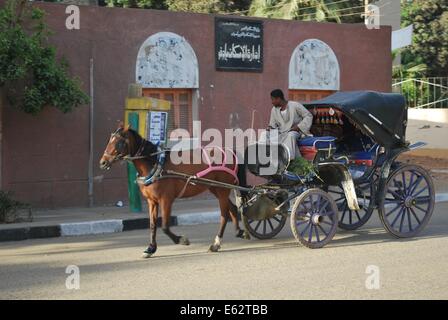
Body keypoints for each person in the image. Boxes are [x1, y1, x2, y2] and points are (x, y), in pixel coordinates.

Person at [263, 89, 313, 159]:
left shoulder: (295, 105)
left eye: (273, 99)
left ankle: (287, 159)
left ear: (278, 99)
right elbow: (273, 125)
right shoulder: (274, 110)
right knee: (265, 134)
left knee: (290, 135)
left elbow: (308, 115)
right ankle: (269, 158)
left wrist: (299, 127)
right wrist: (270, 128)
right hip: (281, 133)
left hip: (296, 132)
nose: (272, 102)